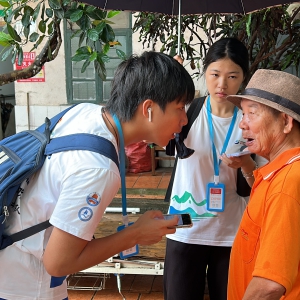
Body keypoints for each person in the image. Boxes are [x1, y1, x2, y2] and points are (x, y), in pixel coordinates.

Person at [0, 51, 195, 300]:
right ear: (148, 109)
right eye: (179, 108)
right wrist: (135, 233)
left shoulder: (84, 112)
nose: (184, 119)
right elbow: (58, 263)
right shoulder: (97, 168)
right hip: (26, 287)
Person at [163, 38, 266, 300]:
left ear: (243, 77)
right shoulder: (184, 111)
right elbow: (148, 127)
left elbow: (262, 186)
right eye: (215, 74)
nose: (222, 84)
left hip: (231, 236)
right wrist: (166, 87)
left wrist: (245, 164)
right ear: (204, 71)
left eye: (232, 76)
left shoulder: (251, 122)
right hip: (184, 230)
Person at [226, 69, 300, 299]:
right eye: (243, 114)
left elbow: (269, 284)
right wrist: (248, 167)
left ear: (286, 122)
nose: (242, 124)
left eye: (252, 113)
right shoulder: (280, 172)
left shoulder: (287, 183)